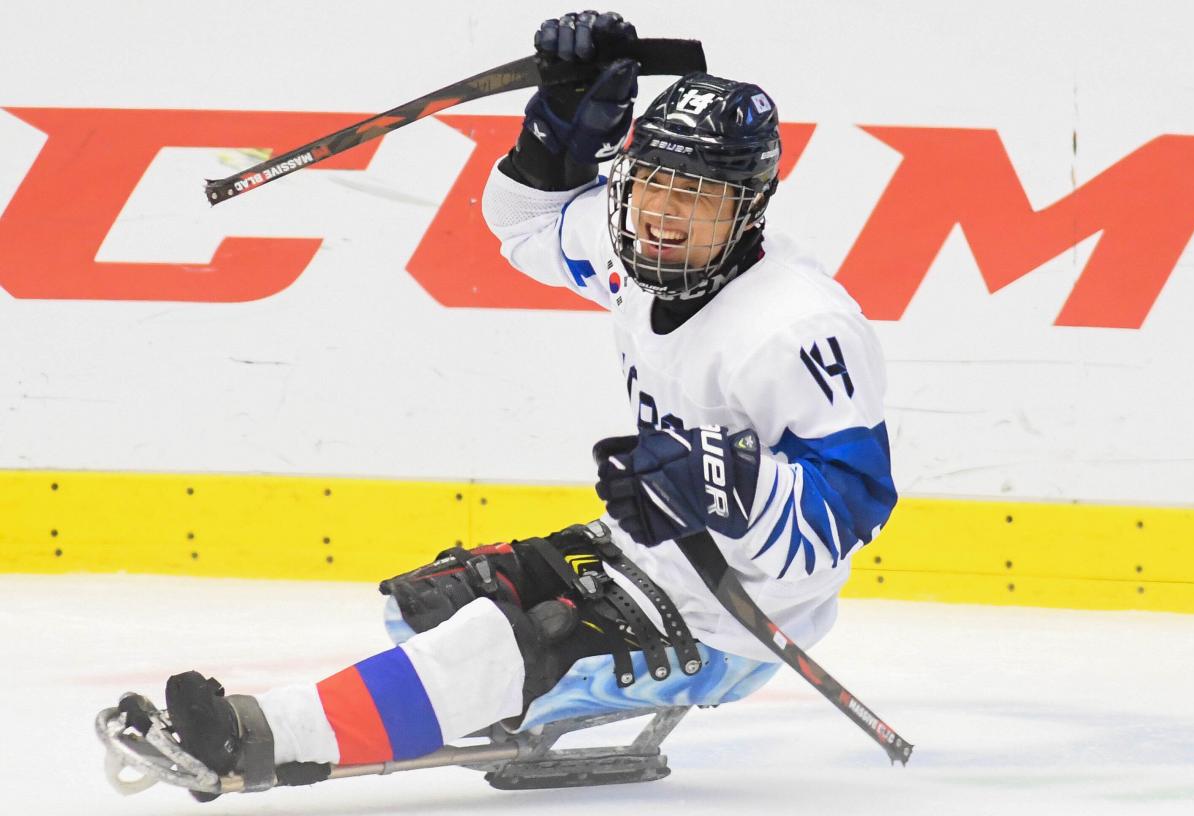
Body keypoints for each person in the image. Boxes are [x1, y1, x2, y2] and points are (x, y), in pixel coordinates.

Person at [158, 10, 896, 797]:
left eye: (698, 196)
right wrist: (562, 128)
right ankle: (488, 684)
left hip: (735, 617)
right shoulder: (639, 255)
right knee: (425, 609)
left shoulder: (797, 325)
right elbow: (527, 226)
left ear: (750, 205)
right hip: (637, 555)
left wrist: (716, 485)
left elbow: (852, 505)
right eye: (651, 182)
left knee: (491, 644)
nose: (662, 214)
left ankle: (255, 739)